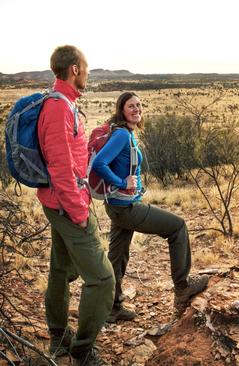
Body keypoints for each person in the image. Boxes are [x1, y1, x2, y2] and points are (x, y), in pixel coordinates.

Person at [92, 91, 208, 323]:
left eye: (139, 105)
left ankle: (112, 307)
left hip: (119, 205)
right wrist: (121, 182)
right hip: (124, 208)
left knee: (117, 255)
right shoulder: (122, 135)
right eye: (131, 106)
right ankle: (182, 286)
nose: (136, 109)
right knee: (177, 227)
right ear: (121, 110)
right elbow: (99, 163)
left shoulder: (127, 133)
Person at [38, 45, 115, 366]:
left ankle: (58, 334)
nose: (88, 72)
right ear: (73, 69)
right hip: (66, 205)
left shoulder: (64, 103)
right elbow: (59, 166)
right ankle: (82, 349)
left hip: (57, 203)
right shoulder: (59, 108)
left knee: (60, 268)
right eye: (85, 67)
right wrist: (80, 212)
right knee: (102, 279)